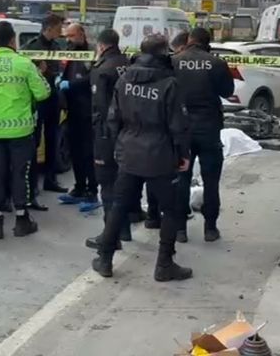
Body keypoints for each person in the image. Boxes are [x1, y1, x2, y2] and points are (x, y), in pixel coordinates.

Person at [92, 34, 192, 282]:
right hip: (159, 155)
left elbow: (113, 118)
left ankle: (105, 259)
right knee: (170, 210)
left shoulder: (125, 78)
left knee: (120, 205)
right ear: (163, 53)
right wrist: (183, 154)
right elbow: (178, 125)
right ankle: (164, 264)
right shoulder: (169, 83)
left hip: (129, 151)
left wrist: (120, 146)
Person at [0, 21, 51, 240]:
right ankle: (22, 221)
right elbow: (43, 93)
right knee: (21, 174)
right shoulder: (24, 64)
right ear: (12, 41)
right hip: (20, 131)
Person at [173, 27, 234, 243]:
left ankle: (180, 230)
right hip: (209, 129)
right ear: (207, 42)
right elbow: (227, 91)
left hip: (182, 130)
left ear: (189, 40)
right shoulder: (215, 63)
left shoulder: (175, 60)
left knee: (182, 179)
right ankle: (210, 228)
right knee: (211, 180)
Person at [85, 28, 131, 250]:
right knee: (124, 182)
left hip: (107, 134)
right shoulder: (127, 64)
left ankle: (109, 236)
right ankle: (124, 229)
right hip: (129, 132)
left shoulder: (102, 70)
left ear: (101, 46)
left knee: (108, 184)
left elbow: (102, 108)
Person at [24, 14, 66, 210]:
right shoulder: (31, 47)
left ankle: (50, 179)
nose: (60, 32)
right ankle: (31, 187)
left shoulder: (56, 47)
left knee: (53, 139)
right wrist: (38, 68)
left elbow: (58, 68)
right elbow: (25, 70)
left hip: (53, 98)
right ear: (48, 28)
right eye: (58, 28)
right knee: (34, 142)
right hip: (37, 100)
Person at [59, 23, 98, 203]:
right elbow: (62, 69)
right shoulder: (68, 51)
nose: (69, 39)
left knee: (88, 152)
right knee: (74, 150)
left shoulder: (92, 51)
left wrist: (73, 84)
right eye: (67, 36)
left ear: (81, 34)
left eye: (72, 35)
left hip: (88, 109)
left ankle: (92, 189)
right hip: (71, 108)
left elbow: (94, 77)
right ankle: (79, 185)